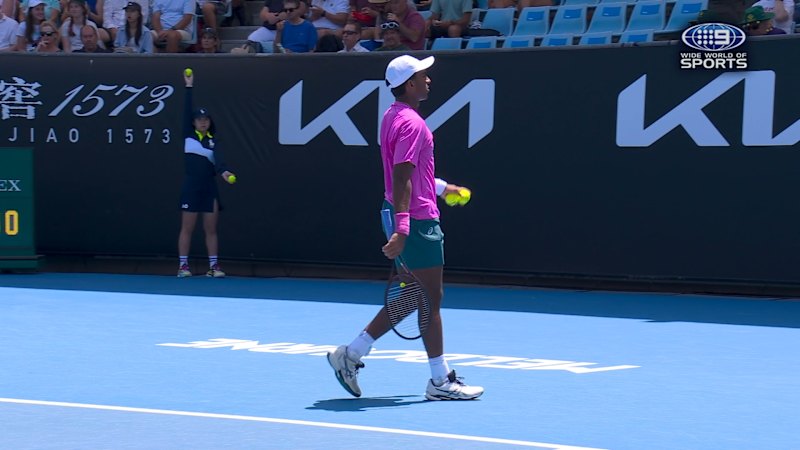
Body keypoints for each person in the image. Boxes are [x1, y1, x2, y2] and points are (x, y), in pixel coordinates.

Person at [326, 55, 484, 401]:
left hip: (403, 212)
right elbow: (401, 177)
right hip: (416, 220)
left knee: (414, 295)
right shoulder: (412, 123)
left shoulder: (392, 116)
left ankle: (351, 353)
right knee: (431, 299)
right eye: (423, 76)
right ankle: (440, 381)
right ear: (409, 84)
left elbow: (410, 173)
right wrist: (403, 227)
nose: (429, 80)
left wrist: (442, 188)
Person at [177, 70, 236, 278]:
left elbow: (219, 160)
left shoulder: (214, 141)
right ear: (193, 122)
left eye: (206, 119)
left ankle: (213, 267)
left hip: (209, 188)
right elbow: (186, 110)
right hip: (191, 187)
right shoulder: (188, 135)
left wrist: (224, 172)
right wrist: (189, 87)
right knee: (187, 228)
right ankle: (183, 267)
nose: (203, 122)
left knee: (211, 229)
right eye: (199, 119)